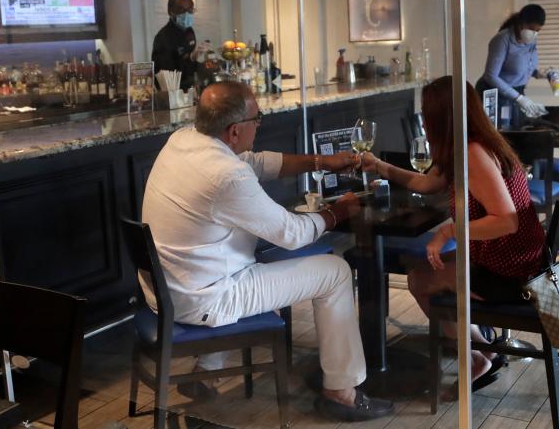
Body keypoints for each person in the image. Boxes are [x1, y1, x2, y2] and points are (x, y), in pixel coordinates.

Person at [141, 81, 394, 422]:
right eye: (256, 118)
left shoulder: (183, 140)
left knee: (254, 250)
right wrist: (340, 211)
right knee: (334, 272)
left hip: (168, 287)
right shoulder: (226, 176)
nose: (260, 123)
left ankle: (208, 367)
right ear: (234, 131)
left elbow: (255, 162)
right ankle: (341, 392)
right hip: (206, 296)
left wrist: (319, 161)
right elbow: (292, 233)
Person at [361, 76, 546, 397]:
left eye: (425, 113)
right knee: (423, 272)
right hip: (516, 258)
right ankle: (485, 351)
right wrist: (379, 166)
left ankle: (476, 358)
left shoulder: (473, 153)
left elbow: (507, 221)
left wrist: (448, 229)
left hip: (510, 270)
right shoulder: (473, 143)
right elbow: (425, 184)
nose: (422, 118)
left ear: (439, 117)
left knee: (421, 281)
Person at [476, 4, 549, 127]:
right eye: (531, 29)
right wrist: (518, 98)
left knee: (519, 129)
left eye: (538, 30)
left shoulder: (531, 40)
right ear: (521, 23)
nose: (534, 34)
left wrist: (538, 73)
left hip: (516, 91)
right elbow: (490, 76)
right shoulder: (502, 40)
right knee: (502, 133)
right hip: (496, 93)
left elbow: (521, 66)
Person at [151, 0, 204, 91]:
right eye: (182, 10)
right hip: (171, 90)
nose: (187, 14)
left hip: (190, 85)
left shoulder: (189, 31)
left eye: (190, 10)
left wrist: (203, 64)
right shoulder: (163, 37)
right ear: (171, 12)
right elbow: (168, 72)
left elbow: (191, 65)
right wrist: (190, 58)